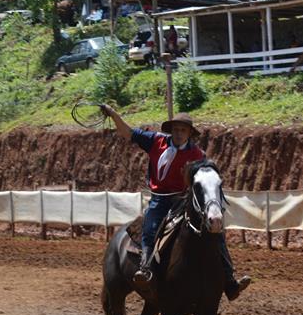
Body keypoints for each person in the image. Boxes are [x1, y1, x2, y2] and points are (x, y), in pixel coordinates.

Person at [98, 104, 251, 301]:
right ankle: (146, 268)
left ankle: (229, 280)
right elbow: (127, 132)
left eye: (183, 130)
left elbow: (204, 178)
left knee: (216, 232)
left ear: (189, 133)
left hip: (182, 200)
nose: (179, 133)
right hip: (159, 201)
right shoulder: (156, 141)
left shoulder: (197, 155)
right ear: (171, 130)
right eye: (176, 129)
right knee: (150, 227)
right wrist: (113, 114)